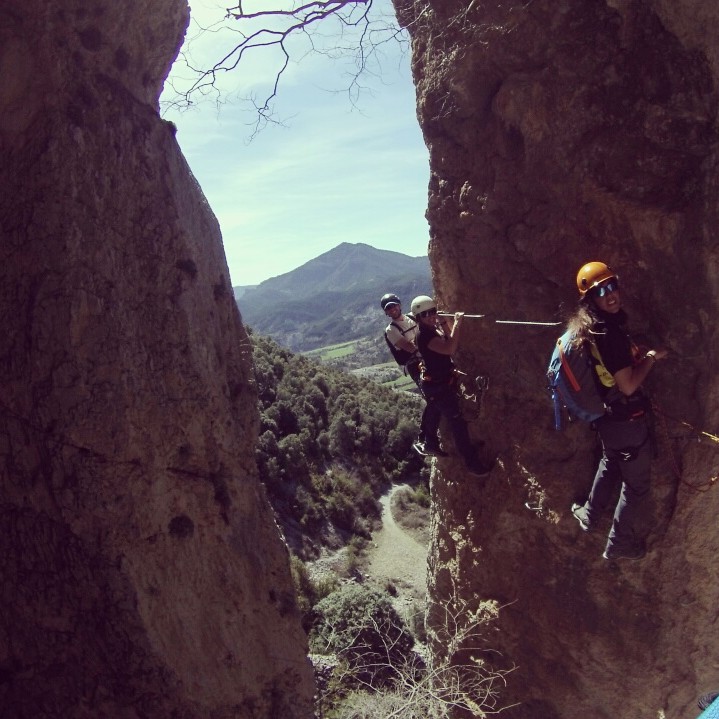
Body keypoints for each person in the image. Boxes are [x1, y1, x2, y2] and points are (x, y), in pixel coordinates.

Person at [568, 261, 668, 561]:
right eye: (601, 291)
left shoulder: (590, 329)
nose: (610, 295)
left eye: (612, 286)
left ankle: (589, 514)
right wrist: (650, 358)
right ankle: (617, 544)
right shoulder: (608, 333)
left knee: (611, 460)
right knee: (636, 486)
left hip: (607, 419)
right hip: (625, 419)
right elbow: (627, 385)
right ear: (590, 299)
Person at [411, 294, 491, 477]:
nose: (431, 316)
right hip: (438, 386)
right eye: (425, 314)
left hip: (439, 384)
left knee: (436, 409)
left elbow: (447, 339)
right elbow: (450, 349)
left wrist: (445, 322)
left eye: (432, 311)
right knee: (457, 422)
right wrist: (457, 324)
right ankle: (471, 463)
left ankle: (429, 441)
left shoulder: (432, 329)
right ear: (418, 318)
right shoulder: (424, 336)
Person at [380, 293, 445, 456]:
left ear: (399, 305)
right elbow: (408, 346)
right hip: (416, 364)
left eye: (394, 305)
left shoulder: (412, 317)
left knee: (438, 395)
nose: (393, 309)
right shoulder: (391, 330)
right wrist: (433, 345)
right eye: (389, 308)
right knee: (432, 398)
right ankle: (427, 440)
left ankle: (426, 438)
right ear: (386, 313)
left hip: (428, 357)